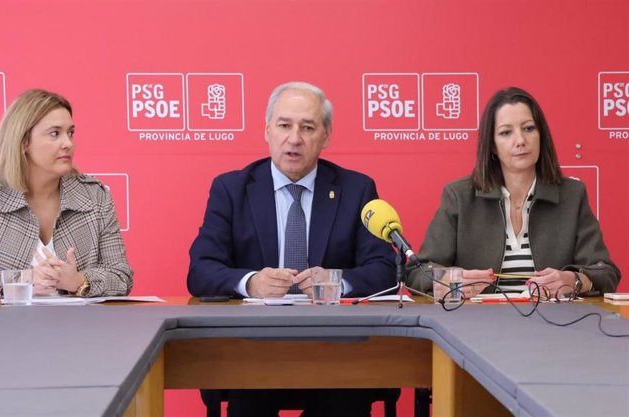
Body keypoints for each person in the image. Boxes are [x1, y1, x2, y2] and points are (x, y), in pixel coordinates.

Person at [187, 82, 396, 416]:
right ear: (267, 131)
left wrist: (336, 282)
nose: (294, 138)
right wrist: (251, 282)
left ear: (325, 136)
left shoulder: (357, 189)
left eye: (308, 127)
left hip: (337, 349)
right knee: (248, 400)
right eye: (284, 125)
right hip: (255, 350)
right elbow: (201, 270)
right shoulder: (231, 188)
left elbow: (385, 270)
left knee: (349, 397)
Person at [407, 86, 620, 299]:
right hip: (477, 325)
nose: (520, 141)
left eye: (528, 128)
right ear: (492, 145)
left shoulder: (572, 195)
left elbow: (605, 272)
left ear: (541, 135)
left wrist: (575, 281)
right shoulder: (460, 196)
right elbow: (417, 272)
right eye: (506, 132)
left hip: (556, 326)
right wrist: (449, 280)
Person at [0, 89, 133, 299]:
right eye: (54, 133)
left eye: (70, 133)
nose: (68, 143)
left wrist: (78, 281)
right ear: (24, 141)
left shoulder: (94, 197)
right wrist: (22, 280)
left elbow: (121, 275)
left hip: (80, 329)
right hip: (5, 330)